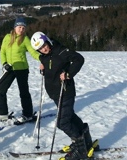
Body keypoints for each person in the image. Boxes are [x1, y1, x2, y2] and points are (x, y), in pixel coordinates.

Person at [30, 32, 93, 160]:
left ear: (47, 41)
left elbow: (79, 59)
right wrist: (42, 68)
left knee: (62, 123)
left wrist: (68, 74)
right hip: (55, 94)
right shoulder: (44, 56)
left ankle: (80, 149)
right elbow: (48, 65)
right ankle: (86, 141)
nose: (44, 49)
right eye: (40, 49)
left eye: (44, 45)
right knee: (70, 117)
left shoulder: (61, 51)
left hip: (65, 92)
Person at [0, 17, 40, 124]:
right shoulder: (7, 37)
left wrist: (42, 58)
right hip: (9, 68)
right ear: (15, 27)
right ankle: (2, 113)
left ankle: (28, 114)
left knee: (24, 92)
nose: (21, 29)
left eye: (23, 28)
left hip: (22, 69)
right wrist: (4, 64)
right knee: (0, 89)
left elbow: (32, 51)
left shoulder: (25, 39)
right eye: (19, 27)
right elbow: (2, 51)